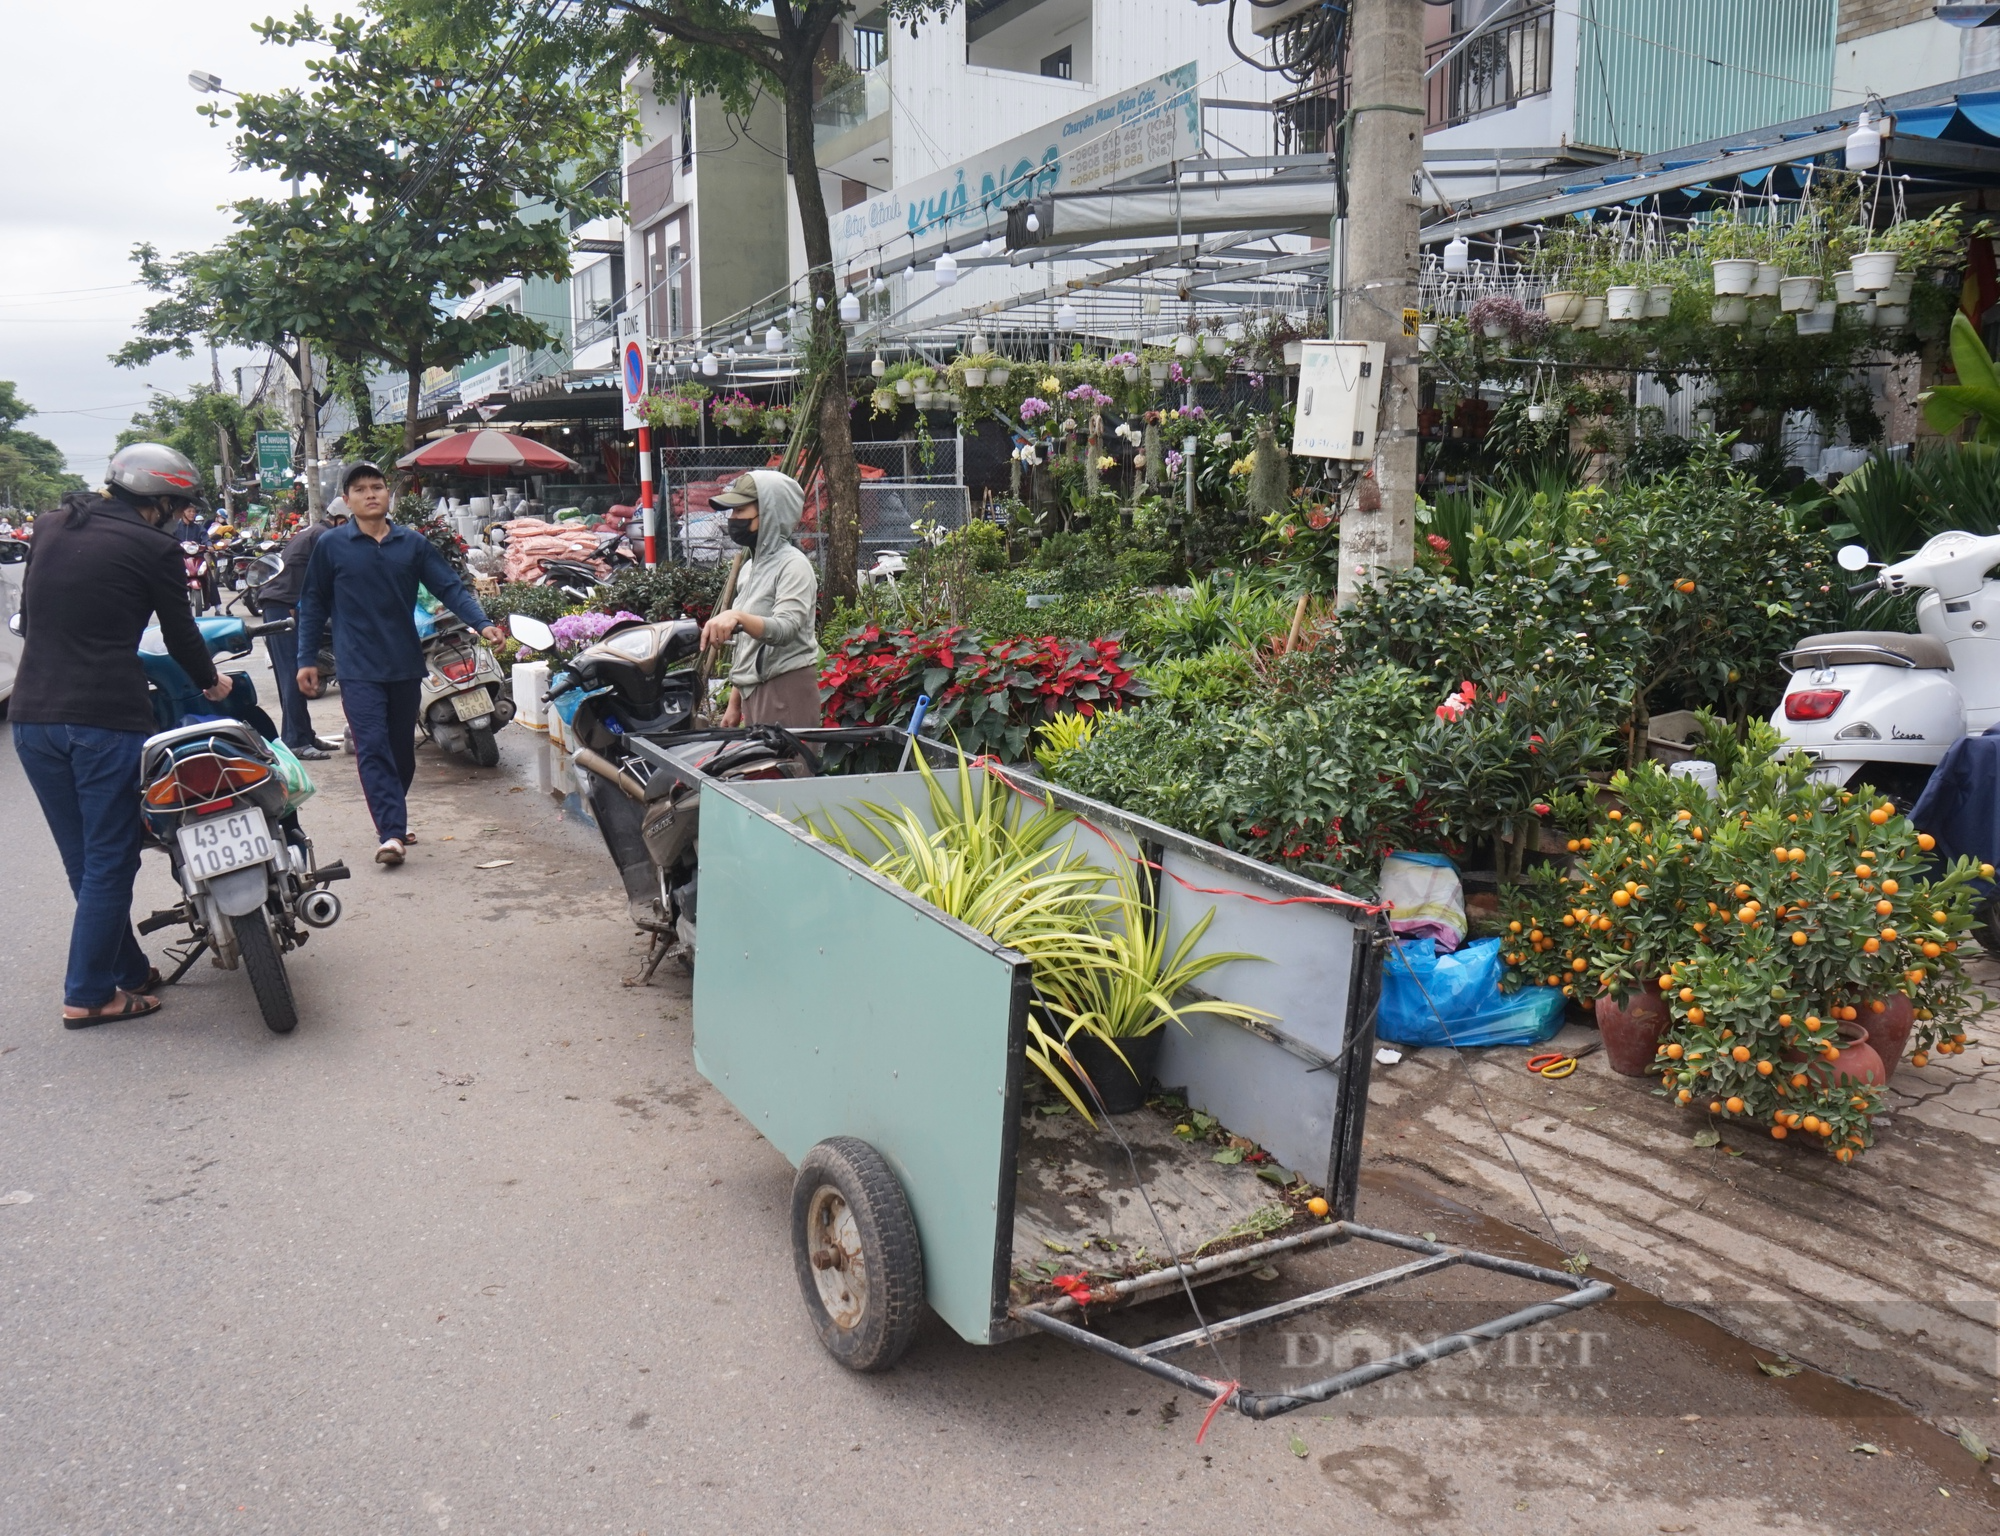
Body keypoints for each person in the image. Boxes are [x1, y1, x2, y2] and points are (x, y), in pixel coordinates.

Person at [9, 443, 233, 1027]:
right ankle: (87, 994)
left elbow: (31, 617)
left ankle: (127, 970)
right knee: (112, 858)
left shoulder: (53, 525)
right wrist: (211, 684)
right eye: (180, 506)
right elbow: (182, 633)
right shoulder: (154, 547)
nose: (182, 516)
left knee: (84, 859)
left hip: (32, 718)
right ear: (157, 500)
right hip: (104, 719)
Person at [295, 462, 504, 867]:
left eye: (378, 487)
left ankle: (393, 813)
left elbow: (448, 586)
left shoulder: (412, 544)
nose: (371, 494)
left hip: (405, 663)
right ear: (347, 499)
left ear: (388, 495)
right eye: (361, 489)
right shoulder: (332, 545)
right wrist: (306, 659)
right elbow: (313, 604)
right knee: (372, 748)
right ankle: (390, 832)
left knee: (401, 754)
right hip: (356, 668)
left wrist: (482, 623)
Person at [699, 471, 819, 727]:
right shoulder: (751, 567)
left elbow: (785, 629)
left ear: (770, 513)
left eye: (740, 511)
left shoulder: (793, 565)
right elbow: (747, 646)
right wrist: (734, 704)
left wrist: (737, 616)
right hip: (755, 692)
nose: (733, 520)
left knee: (790, 767)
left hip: (785, 688)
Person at [253, 500, 345, 760]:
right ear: (341, 520)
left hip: (282, 604)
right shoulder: (324, 536)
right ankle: (294, 741)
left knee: (292, 674)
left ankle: (304, 734)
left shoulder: (315, 532)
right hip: (283, 606)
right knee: (293, 675)